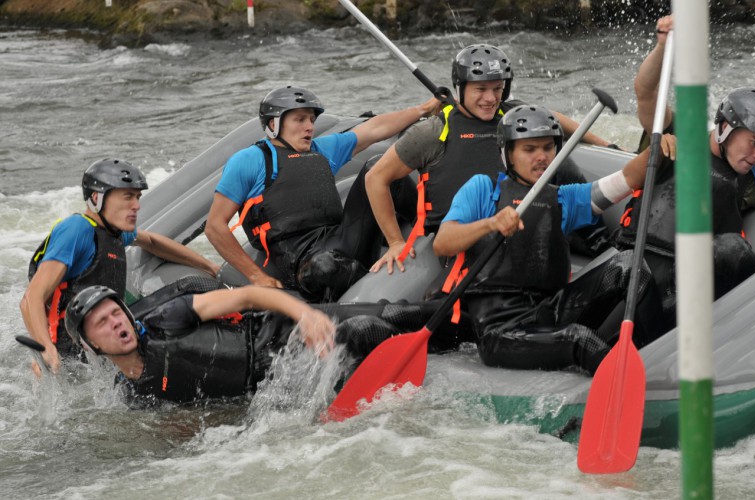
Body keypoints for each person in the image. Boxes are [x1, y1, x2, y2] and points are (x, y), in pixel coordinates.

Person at [432, 105, 668, 373]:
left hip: (548, 311)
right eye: (529, 149)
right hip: (499, 330)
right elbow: (443, 242)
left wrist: (659, 146)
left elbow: (626, 178)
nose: (542, 157)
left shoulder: (562, 198)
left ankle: (658, 359)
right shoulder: (483, 189)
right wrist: (490, 224)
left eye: (547, 147)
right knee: (580, 340)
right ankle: (628, 385)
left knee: (629, 266)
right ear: (508, 153)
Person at [366, 43, 616, 276]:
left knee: (563, 163)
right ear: (460, 88)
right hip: (460, 237)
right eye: (481, 89)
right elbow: (375, 177)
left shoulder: (511, 113)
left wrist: (607, 146)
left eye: (497, 88)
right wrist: (396, 242)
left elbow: (554, 117)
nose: (490, 98)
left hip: (520, 225)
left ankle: (600, 242)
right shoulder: (432, 132)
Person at [619, 14, 755, 327]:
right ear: (726, 128)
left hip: (692, 285)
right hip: (636, 268)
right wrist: (663, 47)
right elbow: (645, 92)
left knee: (732, 249)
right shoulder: (676, 138)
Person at [205, 85, 441, 302]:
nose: (309, 126)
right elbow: (215, 227)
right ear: (273, 124)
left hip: (342, 240)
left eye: (311, 119)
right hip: (303, 264)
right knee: (324, 266)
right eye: (300, 120)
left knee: (379, 167)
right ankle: (372, 291)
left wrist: (425, 108)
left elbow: (375, 129)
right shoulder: (248, 161)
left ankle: (436, 233)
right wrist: (256, 277)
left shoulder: (320, 150)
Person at [63, 283, 440, 406]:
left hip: (282, 331)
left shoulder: (169, 318)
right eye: (102, 323)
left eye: (116, 313)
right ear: (90, 346)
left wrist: (304, 315)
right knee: (362, 331)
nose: (116, 323)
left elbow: (246, 296)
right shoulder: (133, 394)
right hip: (274, 383)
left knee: (391, 318)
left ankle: (467, 312)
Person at [20, 159, 220, 373]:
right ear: (97, 198)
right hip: (66, 357)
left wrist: (209, 266)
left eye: (137, 197)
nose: (136, 205)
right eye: (127, 197)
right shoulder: (76, 230)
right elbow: (31, 299)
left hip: (100, 346)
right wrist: (45, 350)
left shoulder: (114, 232)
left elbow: (152, 242)